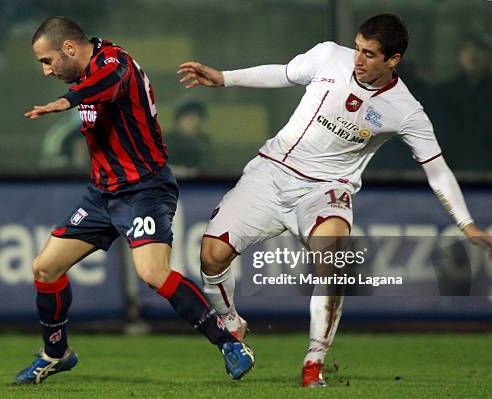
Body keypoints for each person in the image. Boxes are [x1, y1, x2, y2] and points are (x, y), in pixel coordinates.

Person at [177, 13, 492, 387]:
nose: (358, 60)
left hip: (325, 189)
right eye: (358, 48)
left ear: (393, 60)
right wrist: (225, 78)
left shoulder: (406, 110)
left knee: (332, 258)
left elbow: (437, 168)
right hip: (271, 172)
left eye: (370, 54)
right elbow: (284, 73)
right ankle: (231, 322)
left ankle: (314, 363)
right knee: (211, 255)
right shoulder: (329, 56)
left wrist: (466, 223)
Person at [16, 16, 254, 384]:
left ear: (68, 48)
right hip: (102, 193)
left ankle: (229, 343)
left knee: (153, 273)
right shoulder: (84, 74)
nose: (46, 71)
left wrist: (65, 103)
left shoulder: (113, 61)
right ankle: (56, 352)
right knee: (45, 269)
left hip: (145, 188)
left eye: (47, 61)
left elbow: (106, 84)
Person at [433, 35, 492, 171]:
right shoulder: (443, 92)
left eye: (479, 50)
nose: (473, 55)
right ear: (460, 56)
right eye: (467, 50)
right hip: (454, 165)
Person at [164, 98, 213, 173]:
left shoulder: (203, 143)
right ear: (179, 120)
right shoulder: (166, 142)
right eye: (190, 117)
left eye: (199, 117)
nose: (196, 122)